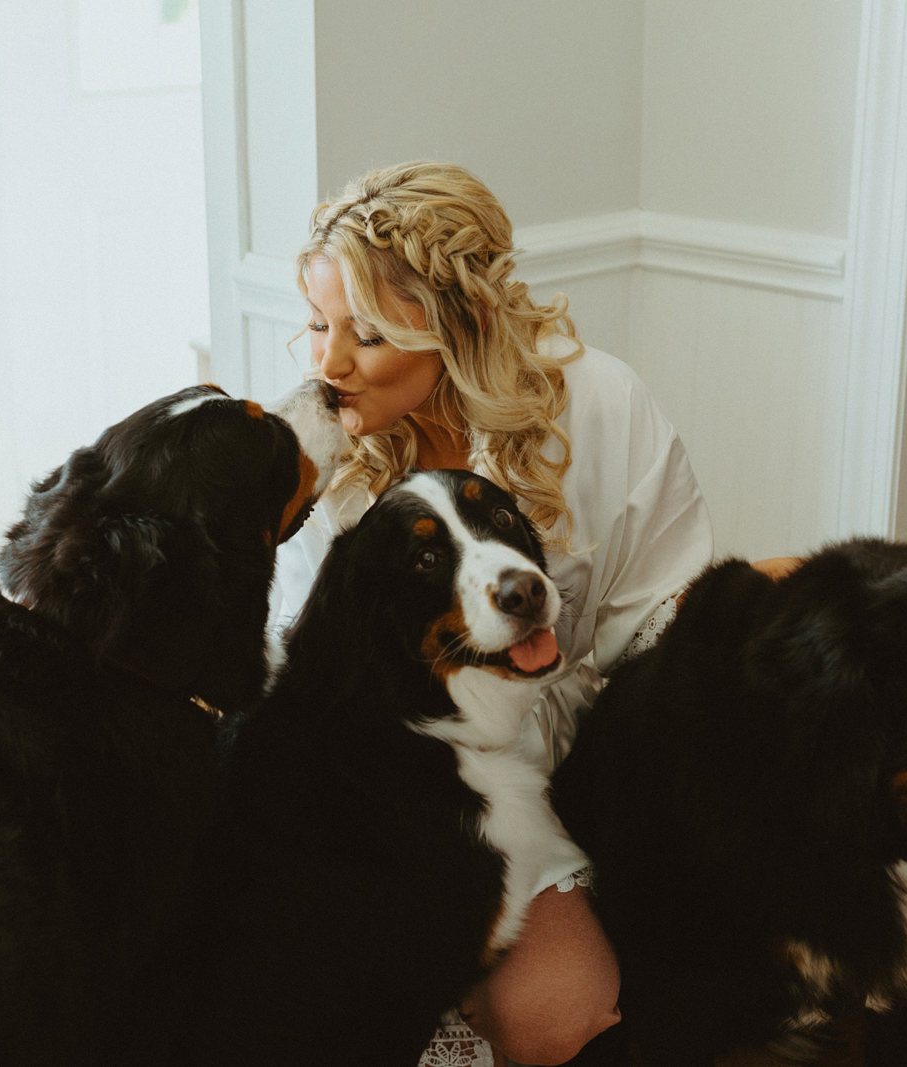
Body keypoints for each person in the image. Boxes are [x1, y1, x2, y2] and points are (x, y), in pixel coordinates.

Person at [268, 161, 714, 1067]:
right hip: (391, 792)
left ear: (455, 322)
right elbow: (303, 673)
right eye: (318, 325)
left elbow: (666, 621)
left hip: (561, 773)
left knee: (555, 1013)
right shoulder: (325, 447)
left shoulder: (596, 403)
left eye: (369, 333)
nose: (330, 363)